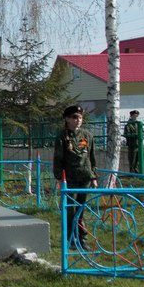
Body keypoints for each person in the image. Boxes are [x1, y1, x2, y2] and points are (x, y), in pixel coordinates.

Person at [53, 105, 98, 250]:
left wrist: (93, 177)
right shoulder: (62, 136)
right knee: (70, 209)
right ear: (67, 119)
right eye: (74, 117)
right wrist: (59, 178)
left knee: (81, 208)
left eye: (80, 117)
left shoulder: (87, 135)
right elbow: (58, 159)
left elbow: (92, 158)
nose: (77, 120)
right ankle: (70, 238)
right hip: (70, 178)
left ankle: (81, 238)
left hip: (84, 177)